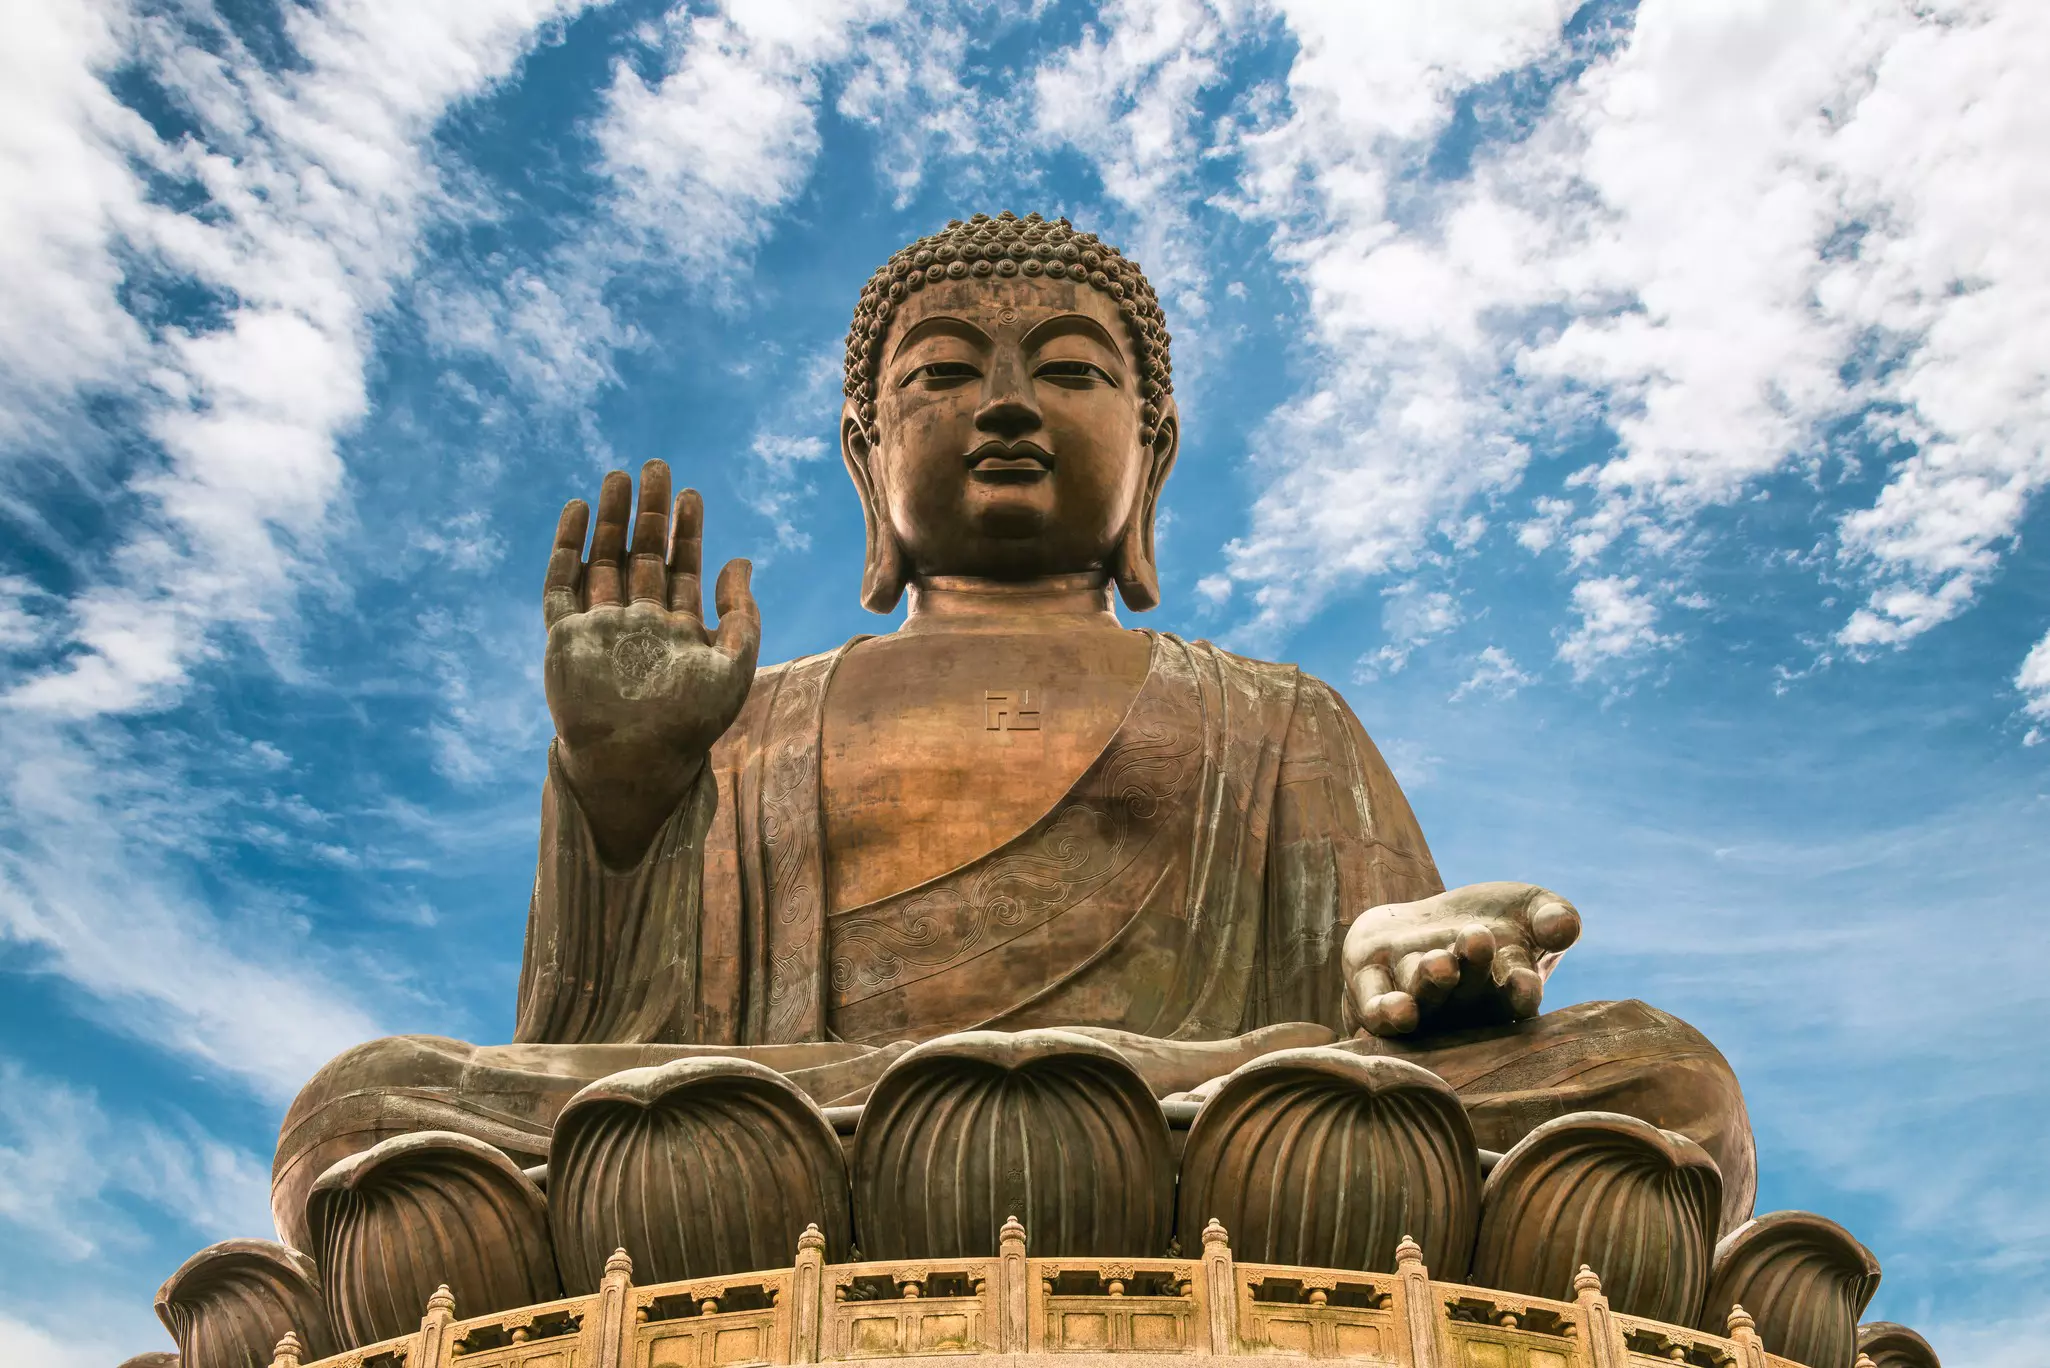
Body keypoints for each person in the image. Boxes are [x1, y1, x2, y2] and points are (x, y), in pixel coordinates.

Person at [272, 213, 1751, 1252]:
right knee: (366, 1113)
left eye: (1069, 369)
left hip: (1212, 1119)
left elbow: (1382, 1007)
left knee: (1662, 1078)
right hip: (812, 1136)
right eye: (940, 374)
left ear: (1151, 449)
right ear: (867, 455)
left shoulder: (1274, 714)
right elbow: (600, 1054)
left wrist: (1410, 964)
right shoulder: (753, 718)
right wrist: (623, 788)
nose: (1003, 406)